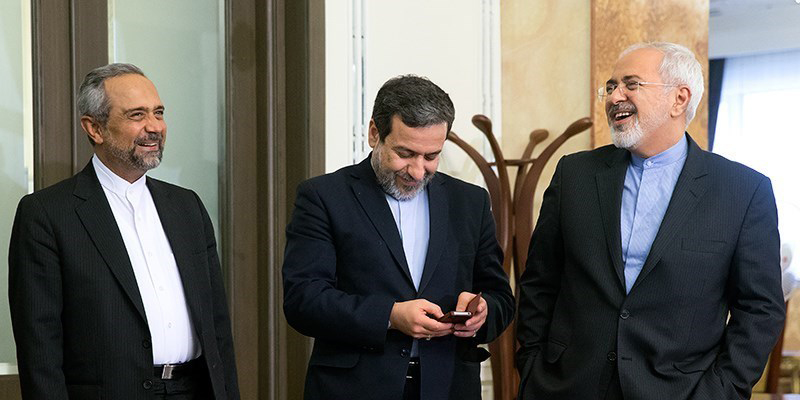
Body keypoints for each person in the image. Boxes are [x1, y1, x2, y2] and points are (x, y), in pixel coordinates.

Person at [516, 42, 785, 400]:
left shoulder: (743, 191)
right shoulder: (574, 175)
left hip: (682, 392)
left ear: (679, 99)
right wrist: (532, 365)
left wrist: (721, 390)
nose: (615, 97)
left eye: (631, 84)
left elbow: (760, 309)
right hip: (566, 386)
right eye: (611, 86)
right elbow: (539, 281)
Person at [8, 63, 240, 399]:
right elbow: (39, 345)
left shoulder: (187, 206)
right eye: (137, 115)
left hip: (193, 390)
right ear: (95, 128)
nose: (154, 127)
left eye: (158, 113)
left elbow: (217, 325)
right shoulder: (47, 214)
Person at [282, 75, 514, 400]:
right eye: (405, 153)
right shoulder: (323, 197)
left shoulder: (470, 202)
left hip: (449, 387)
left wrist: (483, 312)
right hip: (354, 389)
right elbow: (303, 300)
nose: (417, 171)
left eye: (431, 156)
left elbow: (501, 297)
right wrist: (389, 316)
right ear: (374, 133)